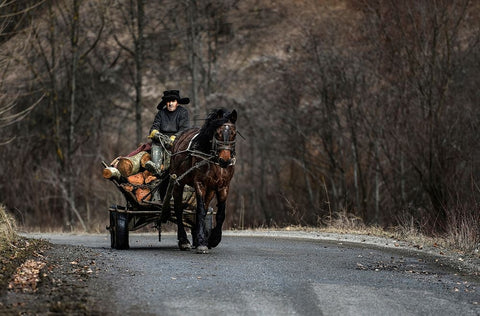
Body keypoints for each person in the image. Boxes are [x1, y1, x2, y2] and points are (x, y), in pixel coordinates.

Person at [145, 90, 190, 176]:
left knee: (172, 158)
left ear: (177, 102)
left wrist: (174, 138)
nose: (170, 104)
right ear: (165, 103)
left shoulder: (183, 112)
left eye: (173, 101)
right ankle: (156, 169)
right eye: (168, 101)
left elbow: (184, 129)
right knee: (155, 146)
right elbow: (154, 126)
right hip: (160, 141)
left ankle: (169, 172)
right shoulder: (161, 113)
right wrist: (156, 134)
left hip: (177, 142)